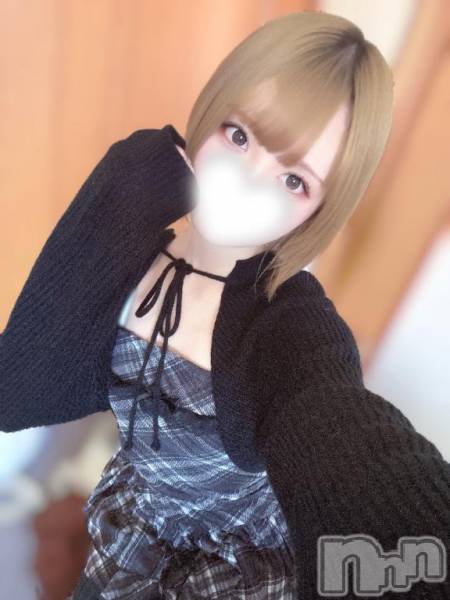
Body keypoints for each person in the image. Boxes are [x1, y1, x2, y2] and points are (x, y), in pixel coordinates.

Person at [1, 11, 449, 600]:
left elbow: (344, 433)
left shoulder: (290, 327)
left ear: (322, 209)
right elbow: (17, 386)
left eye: (294, 181)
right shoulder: (129, 242)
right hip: (139, 521)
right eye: (239, 135)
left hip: (243, 562)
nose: (249, 179)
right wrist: (126, 187)